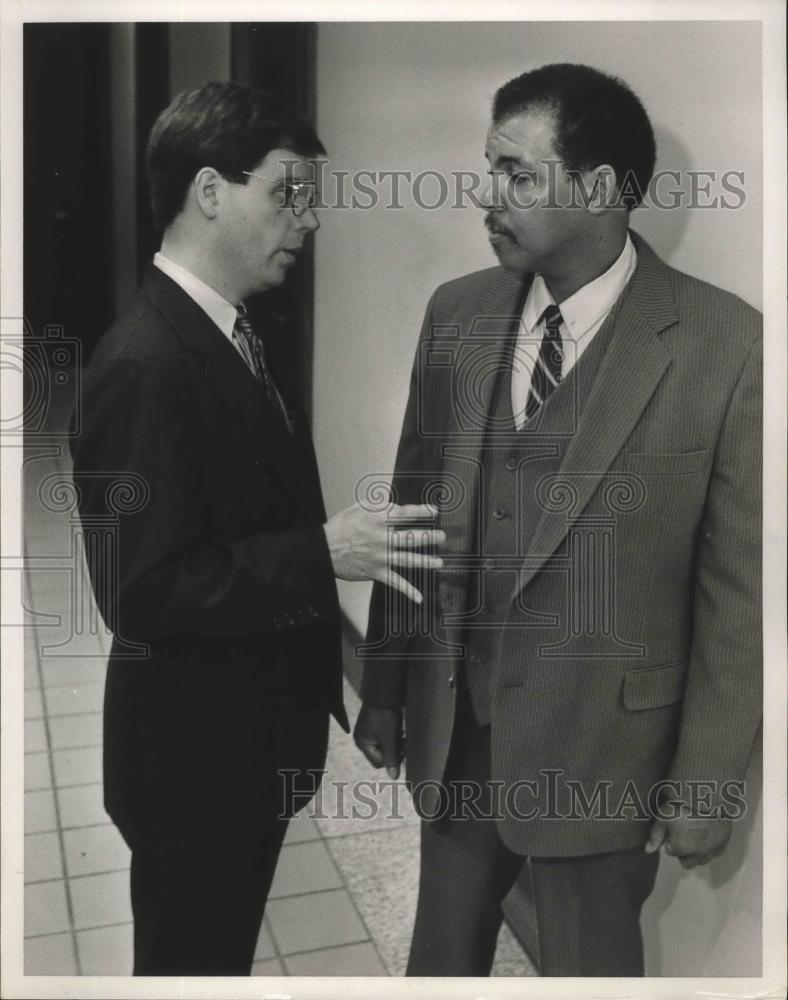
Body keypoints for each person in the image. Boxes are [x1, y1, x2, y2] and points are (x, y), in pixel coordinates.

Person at [355, 63, 762, 977]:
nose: (486, 197)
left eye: (517, 175)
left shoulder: (727, 347)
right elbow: (411, 503)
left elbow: (741, 593)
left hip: (608, 748)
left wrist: (707, 778)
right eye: (489, 168)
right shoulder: (456, 313)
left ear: (604, 189)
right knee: (440, 962)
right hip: (458, 729)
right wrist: (384, 685)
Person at [70, 81, 442, 976]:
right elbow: (142, 591)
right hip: (196, 768)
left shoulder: (231, 330)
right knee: (190, 964)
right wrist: (325, 552)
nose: (308, 219)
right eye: (287, 192)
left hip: (240, 749)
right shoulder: (146, 364)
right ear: (208, 191)